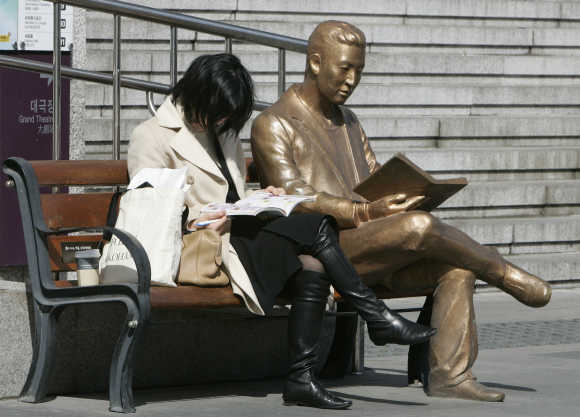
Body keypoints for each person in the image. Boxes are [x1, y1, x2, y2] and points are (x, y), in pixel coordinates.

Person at [251, 21, 552, 402]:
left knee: (456, 267)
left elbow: (374, 178)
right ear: (314, 62)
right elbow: (294, 199)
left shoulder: (350, 121)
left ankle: (450, 377)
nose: (352, 79)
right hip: (323, 248)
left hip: (372, 246)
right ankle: (501, 270)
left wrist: (410, 193)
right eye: (344, 67)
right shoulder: (273, 123)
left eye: (359, 69)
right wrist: (366, 212)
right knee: (419, 227)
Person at [127, 53, 435, 410]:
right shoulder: (151, 136)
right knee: (314, 224)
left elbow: (233, 194)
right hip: (199, 246)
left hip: (236, 236)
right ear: (196, 94)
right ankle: (376, 317)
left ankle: (301, 379)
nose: (224, 122)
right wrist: (214, 214)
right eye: (219, 113)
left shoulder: (221, 129)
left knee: (313, 265)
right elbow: (152, 209)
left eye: (230, 116)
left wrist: (260, 198)